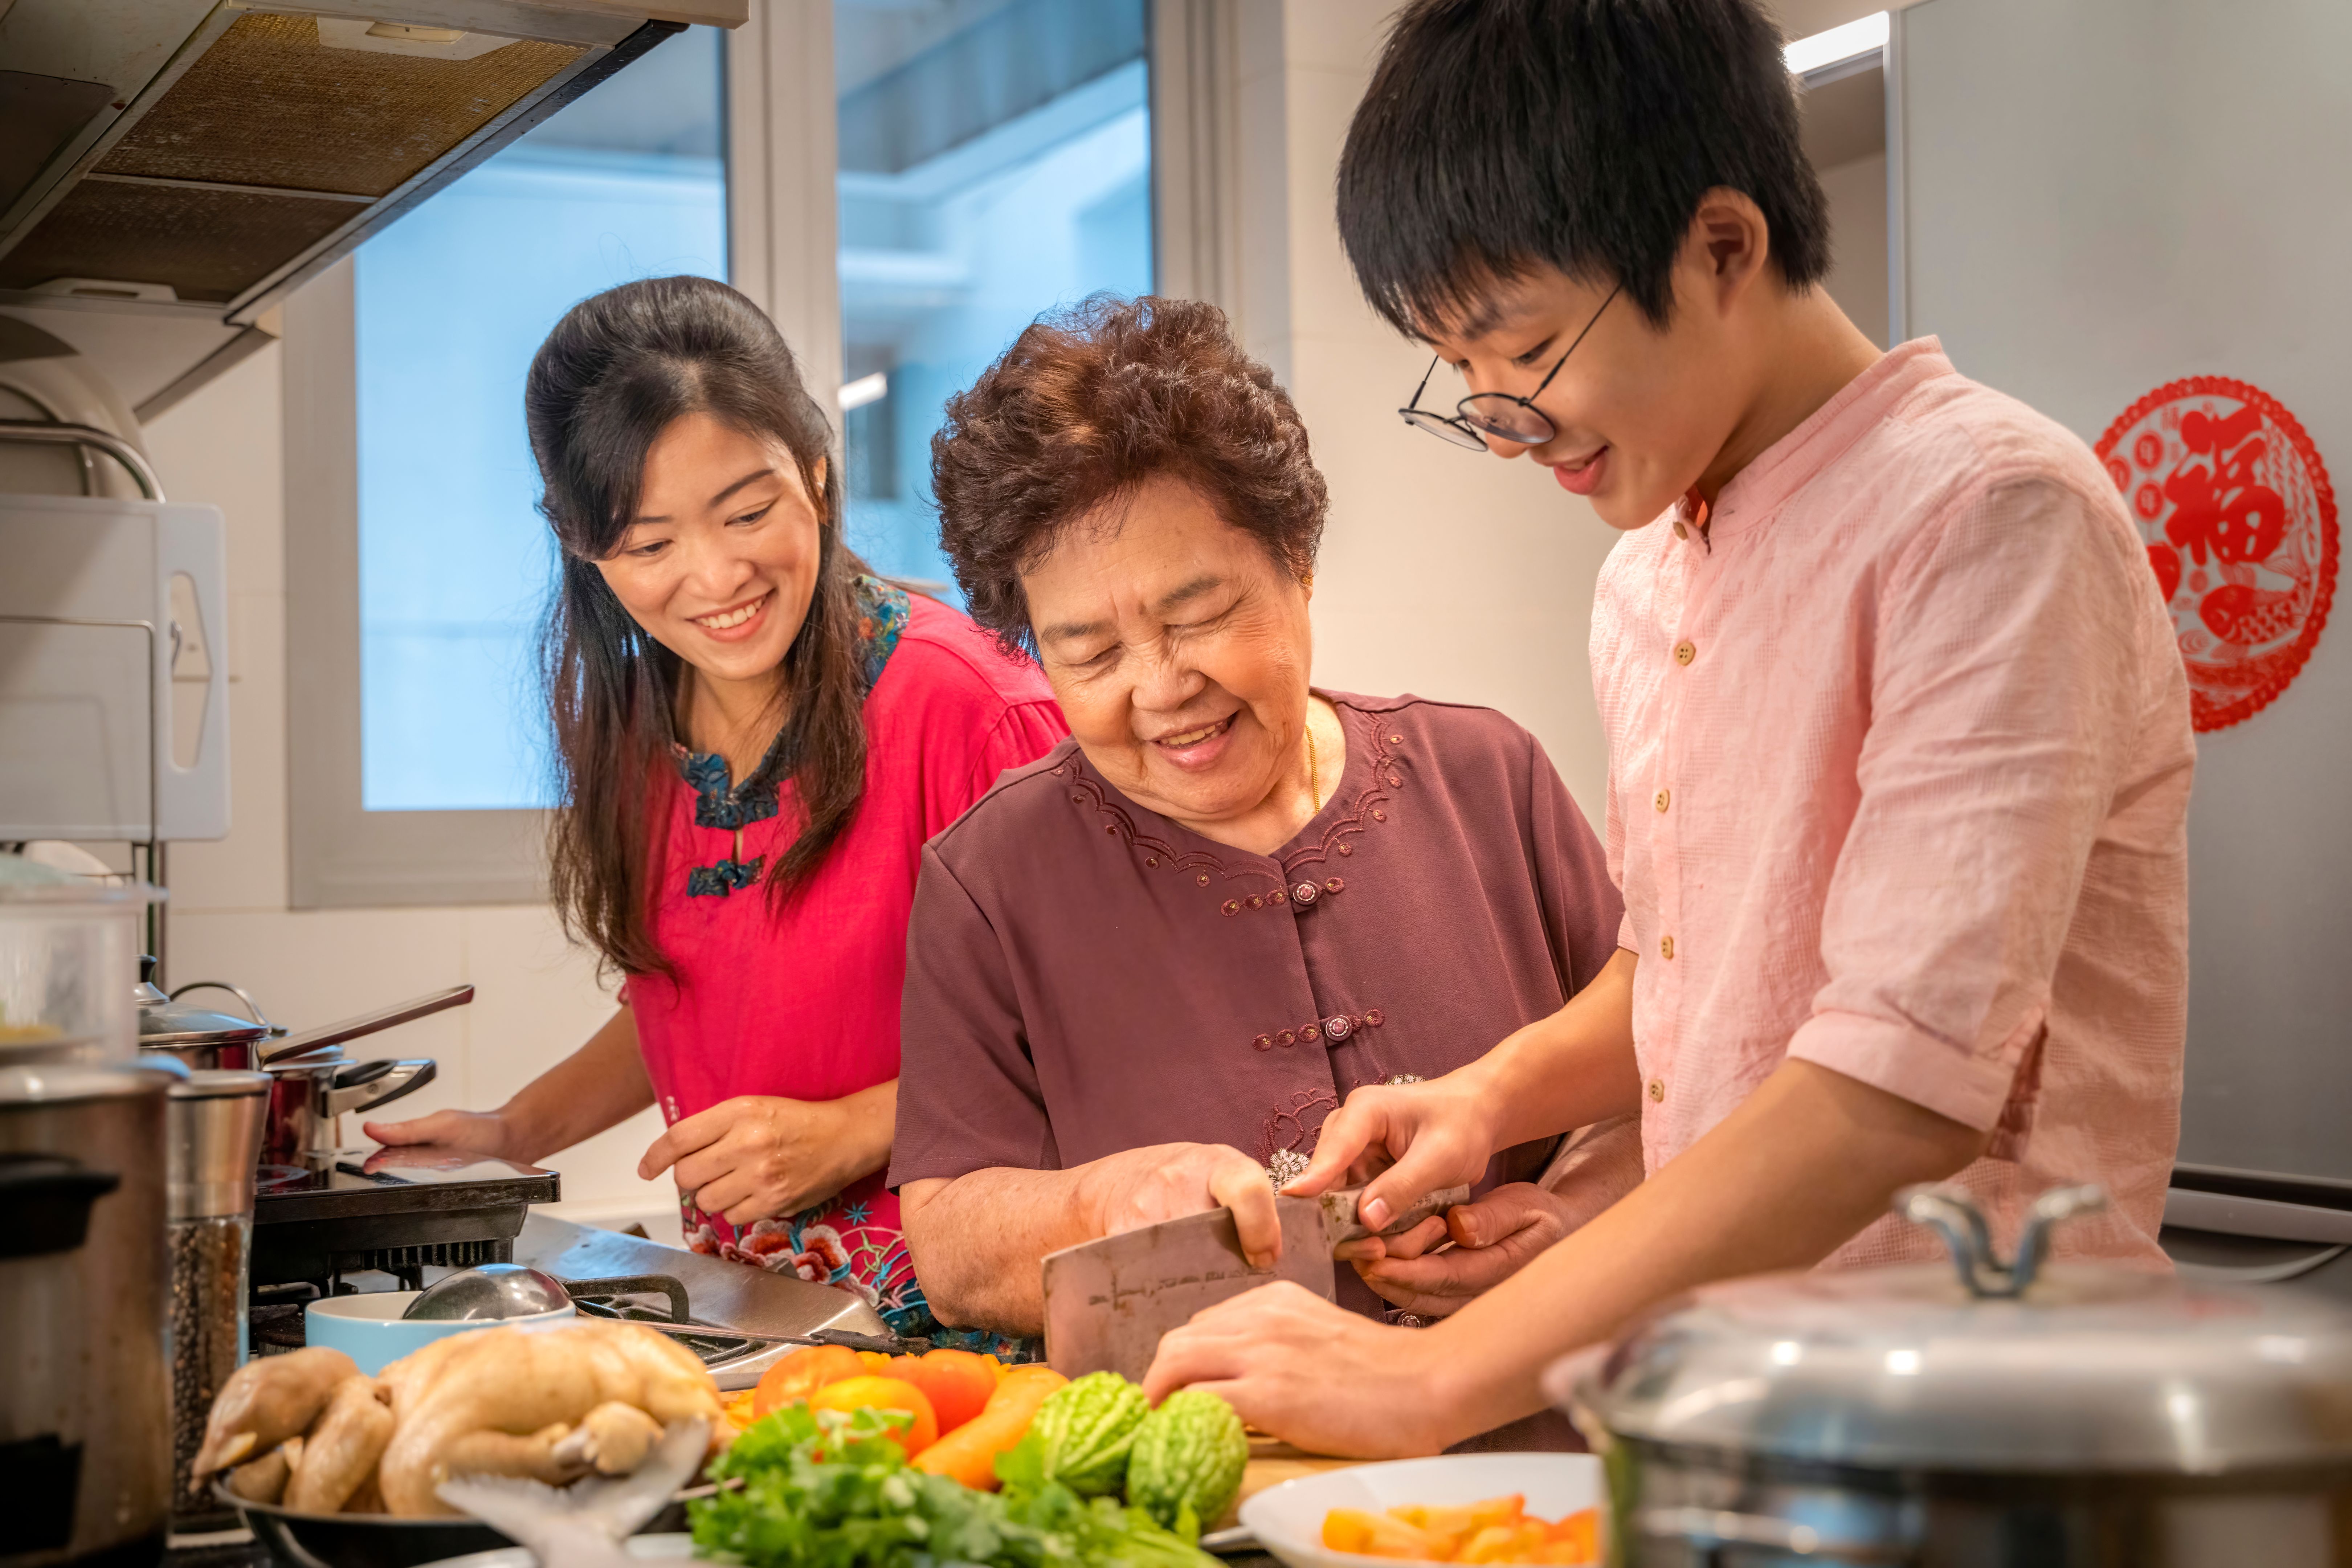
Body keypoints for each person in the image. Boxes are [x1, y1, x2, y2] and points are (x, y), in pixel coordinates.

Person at [1140, 0, 2192, 1455]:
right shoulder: (1645, 573)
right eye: (1461, 372)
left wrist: (1430, 1381)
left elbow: (1895, 1088)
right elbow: (1696, 964)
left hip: (1984, 1426)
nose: (1501, 421)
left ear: (1721, 247)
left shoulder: (1993, 516)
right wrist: (1486, 1094)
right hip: (1730, 1413)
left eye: (1520, 352)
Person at [889, 294, 1638, 1342]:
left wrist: (1574, 1212)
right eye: (1091, 654)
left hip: (1535, 1441)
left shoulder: (1486, 777)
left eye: (1198, 616)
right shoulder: (990, 881)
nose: (1160, 687)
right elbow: (954, 1239)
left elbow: (1658, 1068)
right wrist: (1099, 1206)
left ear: (1298, 563)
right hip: (1218, 1468)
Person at [367, 276, 1066, 1344]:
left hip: (974, 1327)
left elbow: (1095, 1033)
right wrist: (514, 1130)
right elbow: (691, 1001)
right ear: (583, 547)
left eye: (748, 513)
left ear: (819, 480)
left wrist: (851, 1133)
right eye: (649, 547)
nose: (715, 576)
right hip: (763, 1323)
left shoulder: (966, 703)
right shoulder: (645, 730)